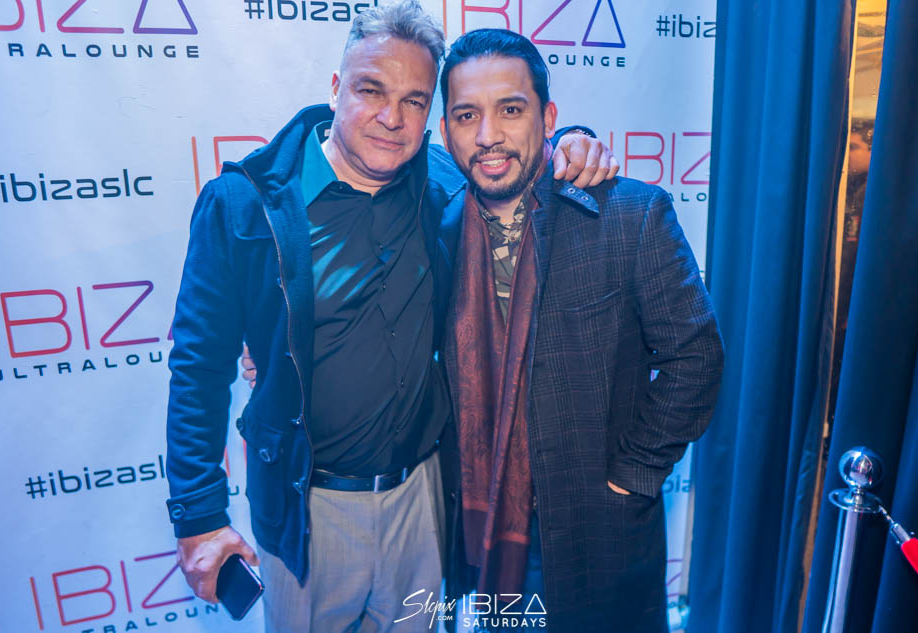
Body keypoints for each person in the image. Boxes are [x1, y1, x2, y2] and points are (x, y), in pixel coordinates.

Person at [164, 2, 617, 631]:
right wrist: (198, 517)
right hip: (305, 511)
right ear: (335, 87)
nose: (392, 117)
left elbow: (513, 159)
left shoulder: (441, 184)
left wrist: (572, 142)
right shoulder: (245, 205)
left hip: (422, 503)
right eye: (371, 90)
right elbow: (199, 368)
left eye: (414, 100)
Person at [436, 29, 724, 631]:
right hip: (482, 534)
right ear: (445, 131)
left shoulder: (629, 214)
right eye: (467, 115)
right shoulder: (436, 229)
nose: (488, 135)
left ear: (548, 118)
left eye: (510, 110)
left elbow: (695, 357)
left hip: (596, 535)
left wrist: (631, 475)